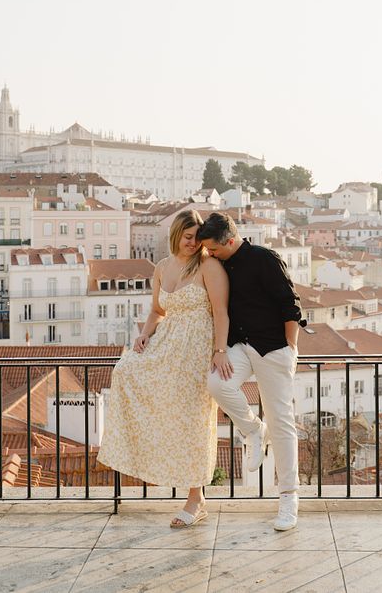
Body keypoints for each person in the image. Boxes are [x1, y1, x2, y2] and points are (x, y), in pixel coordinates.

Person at [97, 209, 231, 528]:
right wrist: (144, 335)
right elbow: (158, 310)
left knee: (193, 421)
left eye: (197, 238)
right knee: (125, 372)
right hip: (167, 345)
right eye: (188, 237)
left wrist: (220, 351)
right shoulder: (161, 267)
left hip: (196, 350)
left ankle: (196, 499)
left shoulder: (209, 266)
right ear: (175, 235)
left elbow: (221, 312)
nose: (193, 243)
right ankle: (140, 457)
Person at [198, 212, 304, 531]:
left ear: (230, 241)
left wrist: (290, 348)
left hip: (273, 348)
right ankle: (254, 429)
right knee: (217, 384)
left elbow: (291, 305)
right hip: (241, 347)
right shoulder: (219, 263)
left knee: (282, 421)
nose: (209, 254)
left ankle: (289, 498)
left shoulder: (264, 259)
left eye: (213, 249)